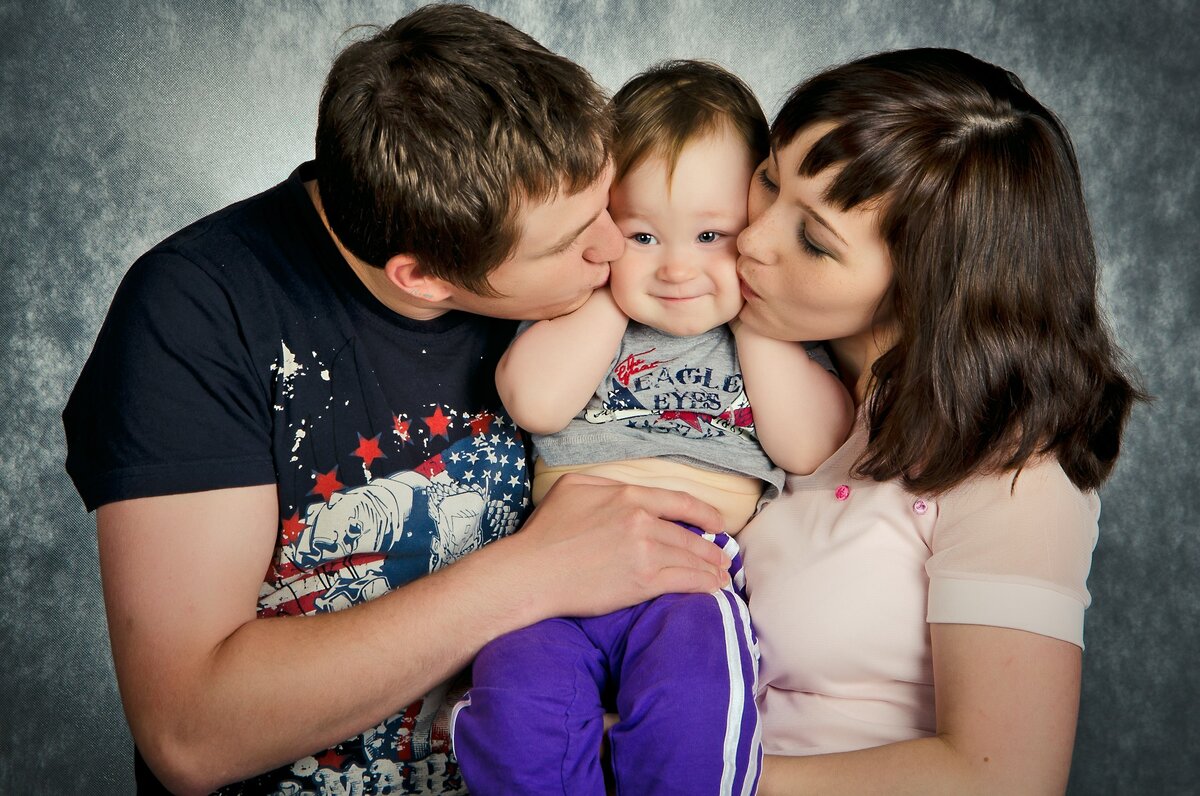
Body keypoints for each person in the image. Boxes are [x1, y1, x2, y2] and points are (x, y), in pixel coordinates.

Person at [61, 6, 732, 794]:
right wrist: (530, 574)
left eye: (606, 204)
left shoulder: (618, 267)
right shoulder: (198, 312)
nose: (615, 248)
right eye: (569, 242)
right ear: (424, 278)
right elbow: (190, 731)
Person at [733, 48, 1147, 793]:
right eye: (768, 177)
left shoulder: (1010, 469)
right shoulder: (739, 354)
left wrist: (686, 772)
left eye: (814, 241)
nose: (752, 238)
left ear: (928, 287)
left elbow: (1006, 778)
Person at [450, 61, 852, 795]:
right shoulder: (583, 311)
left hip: (688, 577)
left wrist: (753, 318)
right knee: (514, 706)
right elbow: (534, 402)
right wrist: (611, 293)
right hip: (554, 574)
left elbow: (809, 446)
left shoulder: (769, 338)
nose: (675, 268)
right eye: (642, 235)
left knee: (693, 717)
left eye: (711, 234)